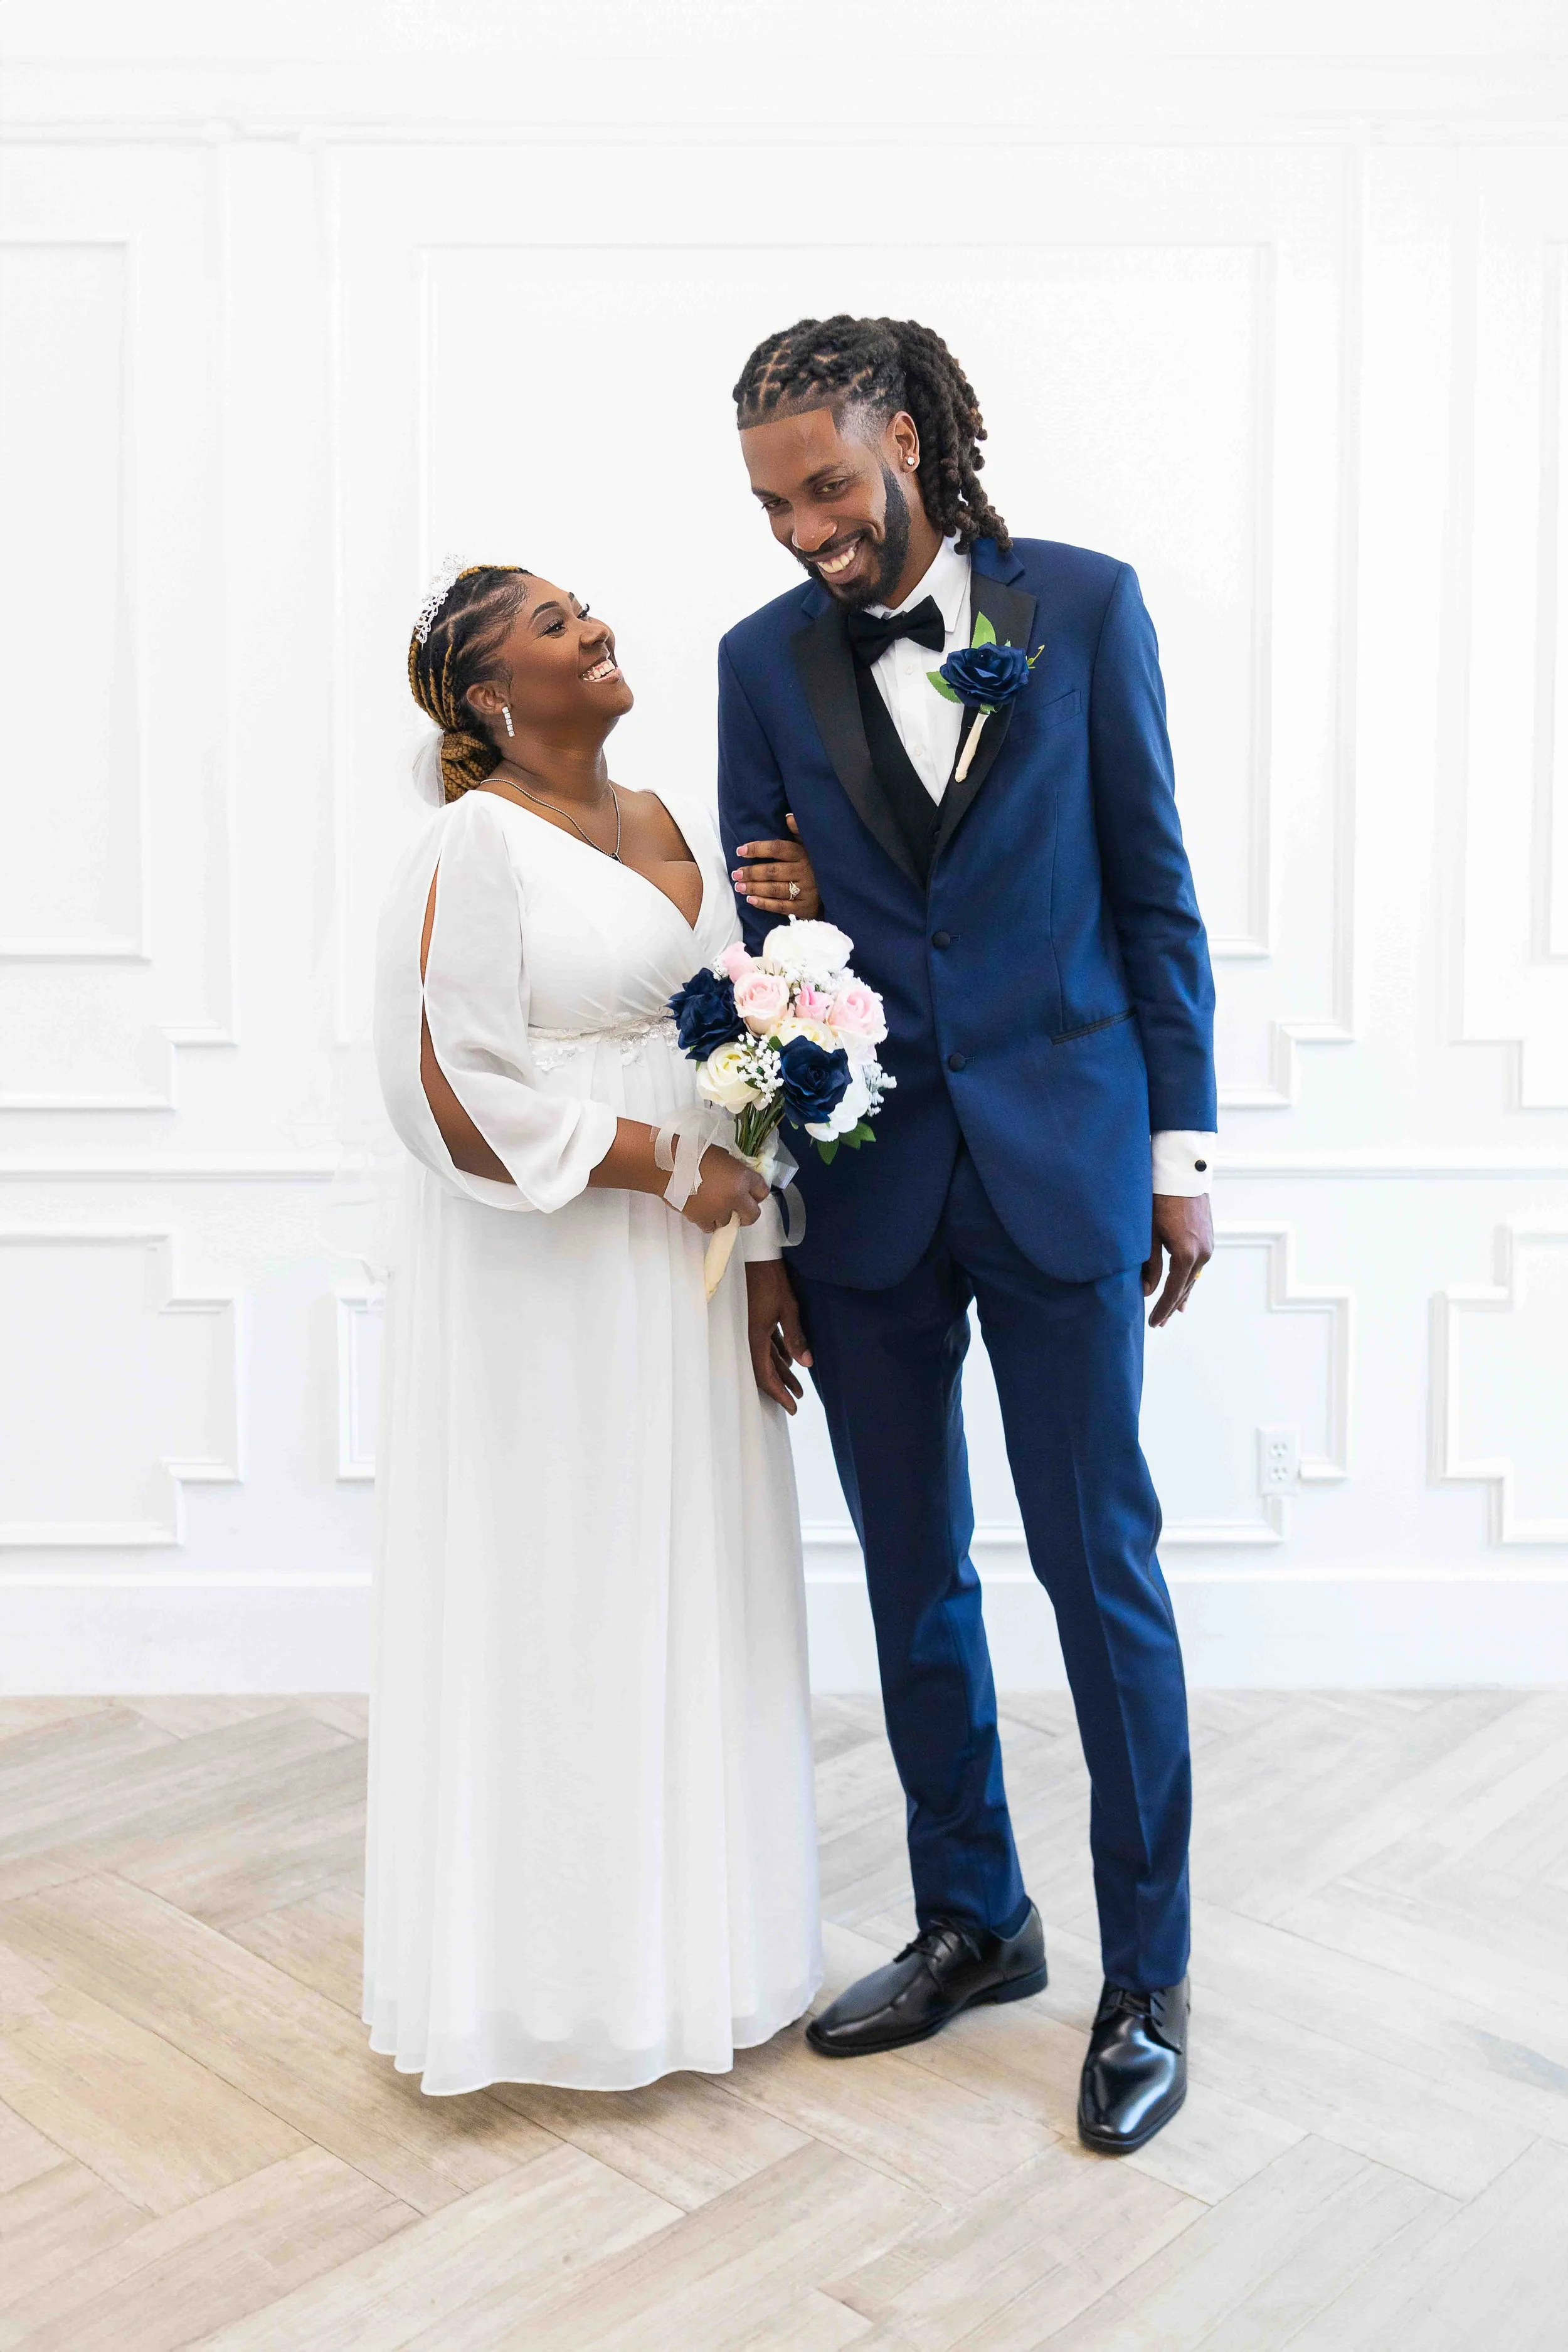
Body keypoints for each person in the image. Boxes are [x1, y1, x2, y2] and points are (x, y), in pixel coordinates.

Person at [720, 317, 1217, 2156]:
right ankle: (973, 1918)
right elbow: (767, 959)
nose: (805, 534)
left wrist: (1177, 1154)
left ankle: (1146, 1975)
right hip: (866, 1187)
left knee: (1100, 1573)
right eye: (773, 506)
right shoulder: (756, 659)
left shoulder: (1080, 607)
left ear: (909, 441)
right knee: (911, 1570)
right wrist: (771, 1225)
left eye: (828, 489)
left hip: (1064, 1157)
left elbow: (1153, 890)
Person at [364, 560, 824, 2094]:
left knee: (692, 1572)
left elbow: (737, 1044)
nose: (597, 629)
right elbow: (448, 1086)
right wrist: (661, 1171)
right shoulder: (472, 843)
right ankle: (553, 1989)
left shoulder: (666, 818)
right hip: (553, 1271)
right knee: (564, 1578)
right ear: (493, 696)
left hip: (695, 1271)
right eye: (556, 627)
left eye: (586, 610)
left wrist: (763, 1254)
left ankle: (705, 1960)